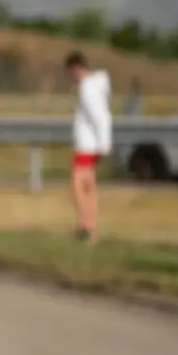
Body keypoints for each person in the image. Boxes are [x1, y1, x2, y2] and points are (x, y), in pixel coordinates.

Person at [65, 51, 112, 242]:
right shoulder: (93, 86)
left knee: (77, 186)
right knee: (88, 186)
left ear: (76, 69)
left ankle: (85, 224)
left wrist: (103, 144)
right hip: (91, 145)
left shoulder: (87, 88)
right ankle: (91, 229)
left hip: (86, 145)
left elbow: (100, 117)